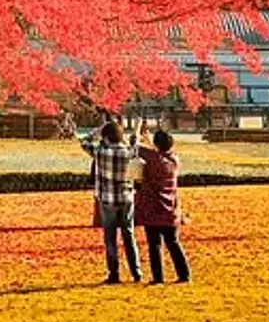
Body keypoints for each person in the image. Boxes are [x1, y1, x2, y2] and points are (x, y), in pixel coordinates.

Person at [81, 119, 142, 283]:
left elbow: (84, 141)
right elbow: (136, 144)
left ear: (106, 137)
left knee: (110, 238)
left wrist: (96, 130)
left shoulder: (101, 152)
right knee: (129, 235)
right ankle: (136, 272)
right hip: (126, 198)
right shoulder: (129, 152)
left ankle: (114, 273)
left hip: (107, 199)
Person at [133, 128, 191, 284]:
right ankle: (184, 275)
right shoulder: (174, 160)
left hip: (153, 208)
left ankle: (158, 278)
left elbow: (134, 146)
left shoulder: (153, 159)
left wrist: (138, 132)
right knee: (173, 243)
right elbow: (159, 153)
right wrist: (150, 140)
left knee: (154, 245)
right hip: (171, 210)